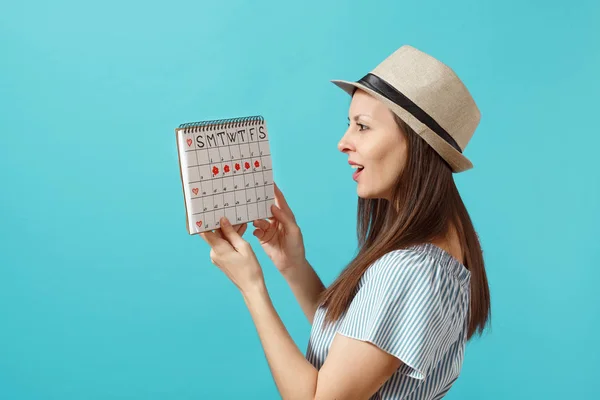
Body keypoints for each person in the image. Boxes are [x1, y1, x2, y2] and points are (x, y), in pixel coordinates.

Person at [199, 44, 491, 400]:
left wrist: (252, 287)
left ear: (416, 144)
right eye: (349, 125)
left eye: (363, 127)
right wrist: (293, 266)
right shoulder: (444, 243)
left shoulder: (412, 268)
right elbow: (354, 356)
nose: (343, 143)